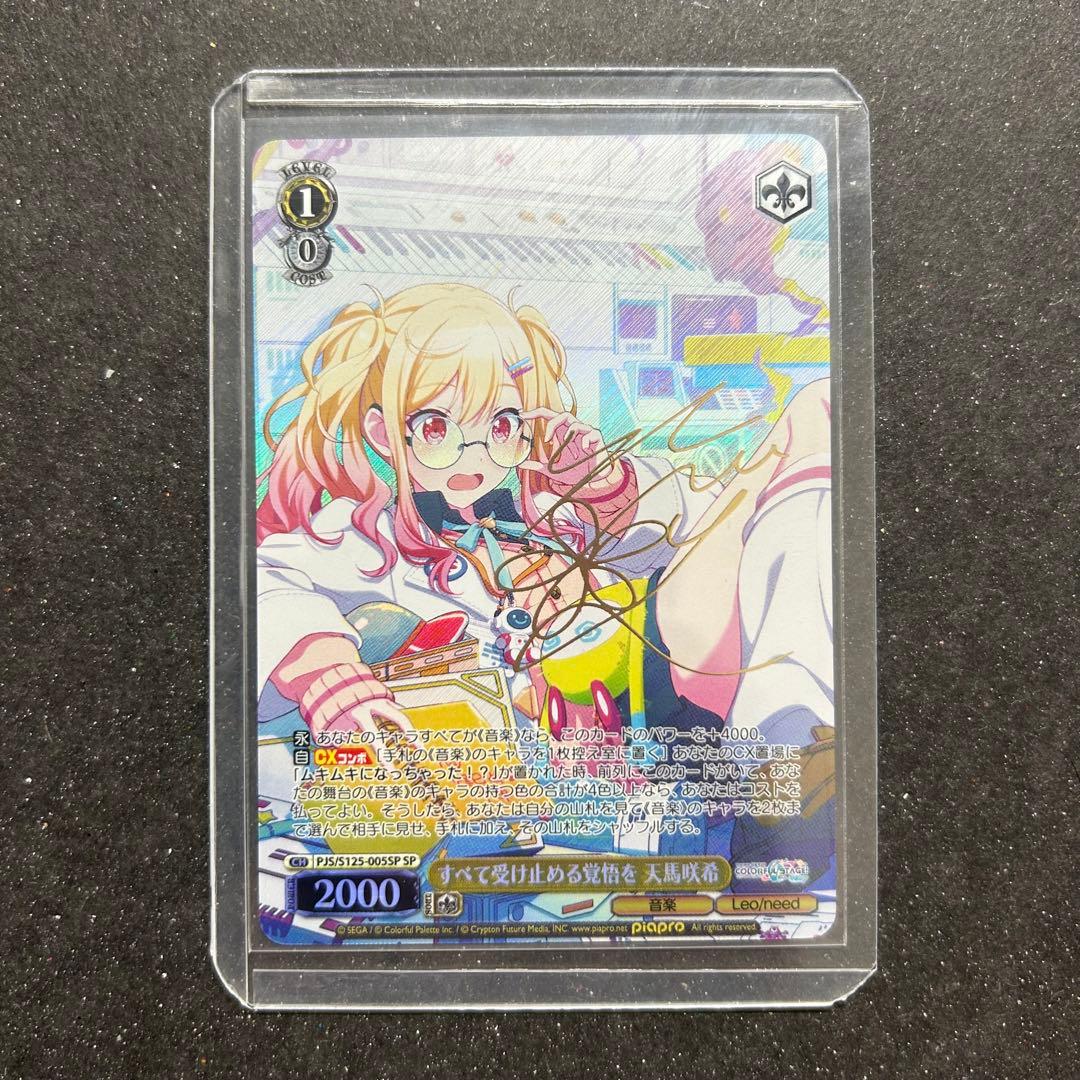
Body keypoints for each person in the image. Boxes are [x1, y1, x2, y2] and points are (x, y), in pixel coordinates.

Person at [255, 283, 833, 766]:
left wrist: (606, 486)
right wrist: (328, 672)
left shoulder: (549, 511)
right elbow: (262, 584)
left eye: (501, 425)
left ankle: (794, 735)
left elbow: (702, 528)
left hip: (655, 676)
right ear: (385, 435)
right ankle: (787, 741)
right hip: (580, 736)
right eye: (437, 429)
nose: (475, 454)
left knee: (817, 408)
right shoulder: (365, 539)